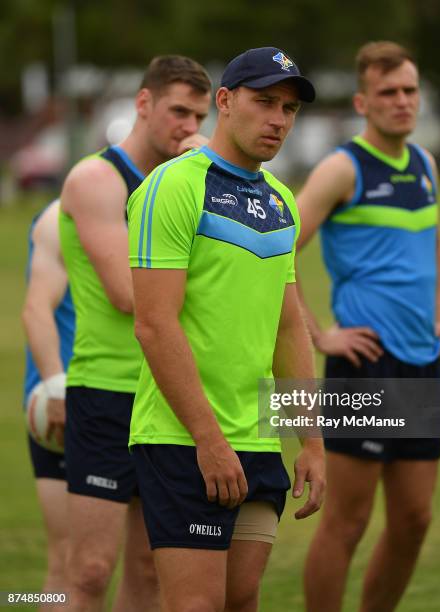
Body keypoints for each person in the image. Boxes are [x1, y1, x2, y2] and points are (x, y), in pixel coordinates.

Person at [127, 47, 326, 612]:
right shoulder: (172, 188)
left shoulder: (283, 201)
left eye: (288, 109)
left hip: (257, 441)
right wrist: (209, 442)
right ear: (224, 101)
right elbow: (153, 325)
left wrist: (310, 441)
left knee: (240, 601)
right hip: (182, 441)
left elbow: (289, 328)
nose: (278, 120)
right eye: (264, 102)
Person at [298, 41, 440, 612]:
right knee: (348, 521)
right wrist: (320, 335)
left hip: (422, 364)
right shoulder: (342, 168)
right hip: (363, 368)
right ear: (363, 102)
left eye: (410, 90)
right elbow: (277, 253)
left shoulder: (425, 164)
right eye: (388, 92)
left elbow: (434, 247)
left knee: (415, 520)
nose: (402, 101)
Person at [58, 55, 212, 611]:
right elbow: (131, 293)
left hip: (168, 394)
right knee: (92, 571)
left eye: (199, 117)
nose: (189, 129)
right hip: (105, 393)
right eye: (177, 112)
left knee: (149, 570)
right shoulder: (95, 178)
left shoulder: (190, 184)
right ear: (143, 104)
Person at [21, 199, 75, 610]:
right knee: (72, 564)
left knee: (150, 564)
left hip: (170, 402)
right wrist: (56, 388)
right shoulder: (66, 213)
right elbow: (36, 308)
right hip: (74, 406)